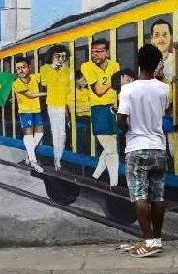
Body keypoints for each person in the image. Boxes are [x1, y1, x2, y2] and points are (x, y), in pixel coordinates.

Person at [116, 44, 170, 258]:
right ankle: (156, 239)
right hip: (158, 147)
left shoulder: (128, 89)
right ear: (157, 64)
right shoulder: (164, 88)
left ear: (138, 63)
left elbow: (121, 118)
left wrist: (126, 129)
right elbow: (161, 111)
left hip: (137, 147)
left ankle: (148, 241)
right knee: (158, 195)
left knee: (139, 195)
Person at [80, 38, 120, 187]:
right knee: (111, 149)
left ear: (107, 53)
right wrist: (114, 79)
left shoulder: (115, 65)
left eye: (98, 51)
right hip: (99, 110)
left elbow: (117, 89)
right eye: (92, 52)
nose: (94, 55)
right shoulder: (87, 66)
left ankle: (95, 176)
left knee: (110, 147)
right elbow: (98, 91)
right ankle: (114, 184)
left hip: (113, 109)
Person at [39, 44, 71, 171]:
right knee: (56, 132)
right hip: (53, 105)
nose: (61, 59)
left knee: (62, 133)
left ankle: (59, 158)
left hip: (64, 105)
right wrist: (55, 68)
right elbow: (45, 82)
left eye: (63, 56)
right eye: (58, 56)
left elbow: (68, 89)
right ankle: (56, 159)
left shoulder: (67, 71)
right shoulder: (45, 68)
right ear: (51, 56)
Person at [13, 57, 47, 173]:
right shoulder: (17, 83)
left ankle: (29, 156)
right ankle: (33, 161)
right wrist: (47, 93)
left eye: (23, 67)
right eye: (18, 68)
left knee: (40, 133)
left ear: (29, 68)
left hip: (36, 110)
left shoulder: (34, 77)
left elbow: (45, 74)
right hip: (25, 112)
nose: (20, 70)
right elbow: (30, 95)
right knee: (28, 135)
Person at [73, 69, 92, 154]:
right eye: (84, 79)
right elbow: (73, 110)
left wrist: (83, 109)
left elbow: (92, 105)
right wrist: (86, 108)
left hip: (89, 117)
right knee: (84, 134)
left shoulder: (88, 91)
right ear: (77, 81)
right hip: (79, 118)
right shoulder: (72, 92)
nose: (86, 81)